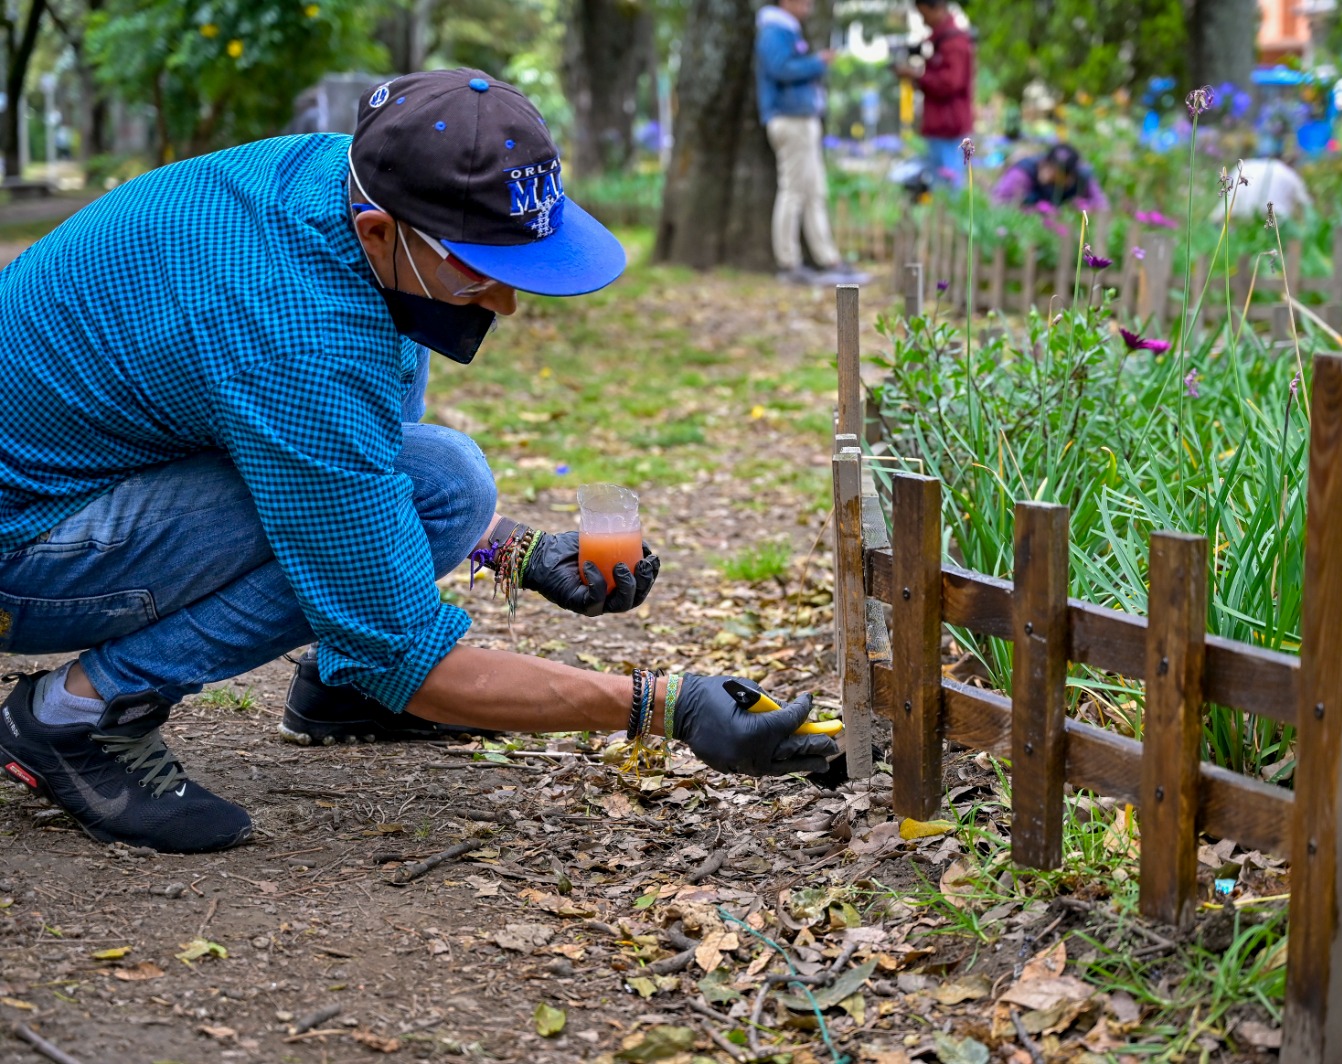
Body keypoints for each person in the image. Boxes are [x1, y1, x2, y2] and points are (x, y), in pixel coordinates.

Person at [0, 69, 839, 855]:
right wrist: (670, 707)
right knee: (438, 484)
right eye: (484, 272)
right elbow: (401, 628)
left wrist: (515, 552)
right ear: (378, 230)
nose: (508, 302)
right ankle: (78, 714)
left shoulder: (357, 189)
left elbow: (365, 476)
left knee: (439, 477)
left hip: (112, 478)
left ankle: (341, 681)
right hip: (30, 550)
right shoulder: (300, 337)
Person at [754, 0, 868, 285]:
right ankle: (789, 262)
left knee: (814, 190)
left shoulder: (786, 30)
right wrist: (817, 63)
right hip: (790, 119)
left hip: (803, 119)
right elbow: (780, 68)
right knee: (792, 191)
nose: (809, 5)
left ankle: (827, 257)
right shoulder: (773, 30)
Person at [894, 0, 974, 187]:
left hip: (949, 126)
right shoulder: (940, 41)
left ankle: (951, 217)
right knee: (940, 185)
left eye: (923, 15)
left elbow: (950, 83)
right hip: (939, 125)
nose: (923, 21)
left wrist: (917, 75)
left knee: (949, 186)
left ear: (937, 8)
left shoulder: (954, 42)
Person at [990, 142, 1108, 213]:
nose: (1050, 174)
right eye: (1051, 169)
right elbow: (998, 203)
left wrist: (1081, 208)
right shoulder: (1022, 173)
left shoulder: (1082, 176)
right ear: (1045, 162)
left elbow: (1102, 206)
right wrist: (1032, 211)